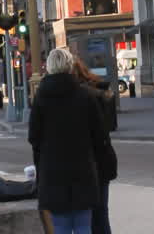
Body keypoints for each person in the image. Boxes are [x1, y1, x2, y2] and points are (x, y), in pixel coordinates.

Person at [28, 48, 108, 234]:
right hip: (83, 171)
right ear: (70, 66)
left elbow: (34, 138)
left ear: (49, 67)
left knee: (60, 227)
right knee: (83, 226)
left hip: (53, 174)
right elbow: (99, 135)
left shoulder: (41, 98)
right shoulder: (85, 96)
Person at [72, 58, 118, 234]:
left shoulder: (81, 97)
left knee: (87, 216)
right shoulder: (99, 91)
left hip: (89, 164)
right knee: (101, 213)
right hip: (104, 160)